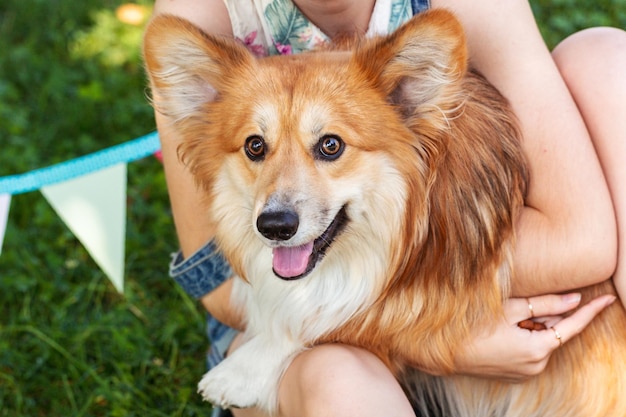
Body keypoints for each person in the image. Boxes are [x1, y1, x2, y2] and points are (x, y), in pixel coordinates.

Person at [147, 1, 626, 416]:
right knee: (339, 382)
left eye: (329, 146)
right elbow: (219, 287)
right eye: (257, 148)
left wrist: (429, 331)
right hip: (284, 342)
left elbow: (581, 243)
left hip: (426, 280)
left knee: (606, 59)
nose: (278, 208)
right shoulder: (200, 13)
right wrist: (440, 347)